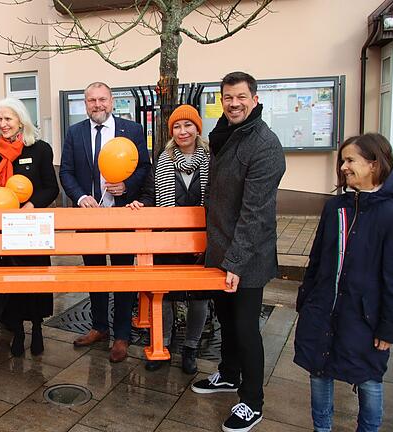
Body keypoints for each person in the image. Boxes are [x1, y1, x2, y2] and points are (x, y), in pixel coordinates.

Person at [294, 133, 393, 432]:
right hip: (323, 309)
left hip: (365, 317)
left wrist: (389, 326)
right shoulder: (335, 209)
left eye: (351, 160)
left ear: (374, 164)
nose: (344, 167)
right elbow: (317, 259)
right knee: (319, 371)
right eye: (342, 161)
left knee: (369, 378)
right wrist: (305, 301)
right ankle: (322, 428)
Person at [190, 71, 285, 432]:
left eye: (241, 97)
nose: (234, 103)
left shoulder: (264, 144)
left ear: (255, 99)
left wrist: (235, 263)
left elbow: (255, 213)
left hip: (247, 257)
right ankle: (229, 374)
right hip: (221, 250)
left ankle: (253, 401)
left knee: (246, 328)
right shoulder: (224, 133)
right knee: (226, 320)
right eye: (228, 97)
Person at [59, 81, 150, 363]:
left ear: (112, 101)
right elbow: (66, 172)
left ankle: (122, 334)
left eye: (102, 100)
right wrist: (81, 195)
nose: (97, 105)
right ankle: (99, 327)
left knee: (123, 277)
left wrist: (126, 186)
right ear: (85, 104)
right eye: (91, 101)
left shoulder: (131, 130)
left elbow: (144, 167)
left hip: (122, 214)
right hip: (90, 218)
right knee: (95, 275)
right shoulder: (75, 133)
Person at [127, 104, 211, 374]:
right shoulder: (161, 161)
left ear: (197, 128)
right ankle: (161, 343)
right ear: (170, 130)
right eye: (177, 126)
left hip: (201, 243)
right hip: (167, 240)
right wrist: (140, 204)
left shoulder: (212, 160)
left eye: (188, 125)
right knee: (162, 294)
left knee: (199, 298)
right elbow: (151, 195)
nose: (182, 131)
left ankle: (190, 348)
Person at [0, 98, 59, 357]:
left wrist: (32, 206)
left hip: (33, 226)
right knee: (11, 281)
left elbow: (51, 187)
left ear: (21, 121)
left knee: (35, 280)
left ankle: (36, 327)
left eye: (8, 119)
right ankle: (17, 330)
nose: (3, 124)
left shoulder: (41, 149)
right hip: (3, 228)